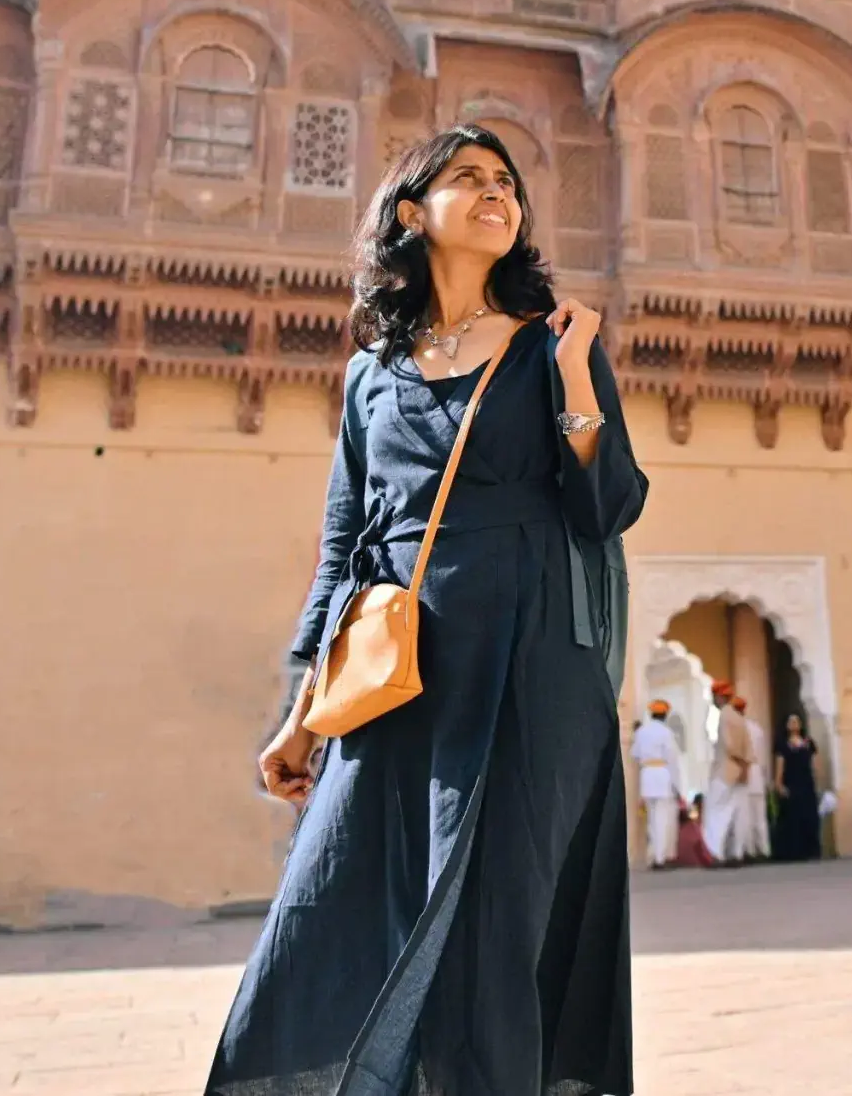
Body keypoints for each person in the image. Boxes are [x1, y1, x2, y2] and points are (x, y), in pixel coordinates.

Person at [206, 125, 647, 1096]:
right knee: (337, 910)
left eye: (507, 183)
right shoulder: (373, 372)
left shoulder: (551, 347)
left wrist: (576, 384)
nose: (497, 194)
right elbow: (345, 548)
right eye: (468, 179)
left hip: (532, 665)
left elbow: (606, 505)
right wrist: (302, 709)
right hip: (400, 672)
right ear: (413, 212)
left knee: (497, 928)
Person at [632, 701, 688, 868]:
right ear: (665, 716)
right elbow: (672, 761)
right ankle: (660, 858)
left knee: (652, 820)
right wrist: (678, 787)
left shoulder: (641, 732)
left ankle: (655, 856)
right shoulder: (666, 733)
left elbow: (634, 754)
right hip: (663, 776)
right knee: (662, 819)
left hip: (647, 776)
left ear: (651, 715)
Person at [704, 681, 752, 864]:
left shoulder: (724, 715)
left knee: (714, 812)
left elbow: (729, 745)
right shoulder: (739, 718)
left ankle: (714, 853)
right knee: (732, 813)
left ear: (719, 696)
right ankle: (735, 853)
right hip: (738, 772)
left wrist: (739, 762)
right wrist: (745, 768)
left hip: (725, 770)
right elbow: (748, 748)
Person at [770, 712, 821, 862]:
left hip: (807, 784)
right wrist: (779, 784)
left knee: (809, 817)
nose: (794, 724)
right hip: (791, 784)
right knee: (791, 818)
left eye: (796, 721)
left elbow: (815, 763)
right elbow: (779, 765)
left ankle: (810, 851)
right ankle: (791, 852)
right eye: (791, 721)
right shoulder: (782, 744)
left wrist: (817, 782)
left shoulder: (808, 743)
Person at [733, 693, 771, 863]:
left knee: (744, 816)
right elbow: (762, 755)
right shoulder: (756, 728)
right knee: (759, 816)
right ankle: (763, 849)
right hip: (756, 773)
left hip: (742, 774)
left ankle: (747, 851)